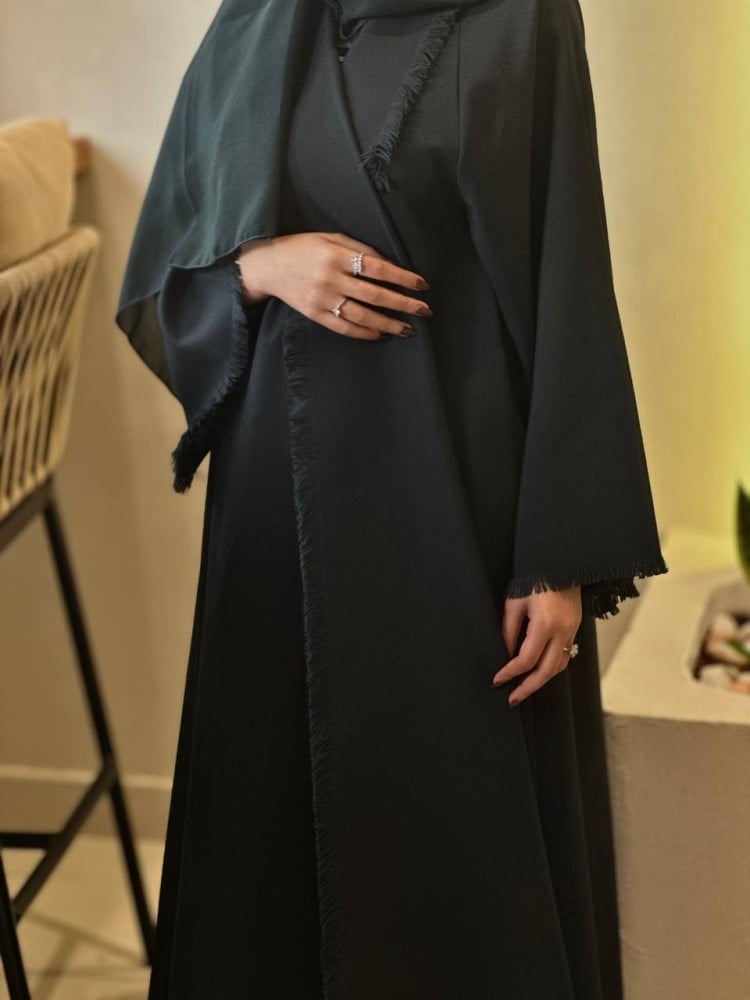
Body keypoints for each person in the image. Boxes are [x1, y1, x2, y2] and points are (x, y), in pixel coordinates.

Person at [115, 0, 668, 996]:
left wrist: (559, 554)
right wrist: (261, 267)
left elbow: (570, 273)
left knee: (467, 845)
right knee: (271, 843)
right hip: (280, 503)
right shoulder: (257, 21)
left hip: (463, 492)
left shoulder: (526, 18)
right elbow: (164, 274)